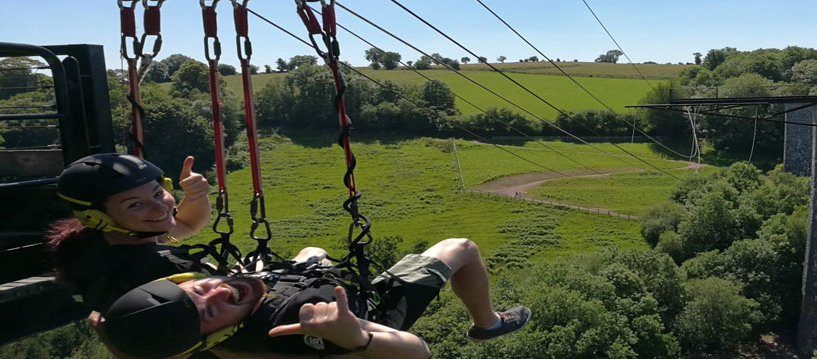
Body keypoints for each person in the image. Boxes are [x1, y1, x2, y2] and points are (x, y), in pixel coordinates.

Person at [99, 238, 531, 359]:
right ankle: (488, 323)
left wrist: (112, 330)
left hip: (317, 288)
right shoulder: (292, 337)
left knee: (311, 252)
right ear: (214, 339)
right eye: (212, 310)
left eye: (197, 288)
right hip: (362, 315)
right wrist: (354, 337)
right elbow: (418, 352)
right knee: (461, 249)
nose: (217, 290)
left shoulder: (177, 331)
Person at [46, 152, 214, 312]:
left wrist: (194, 195)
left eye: (158, 193)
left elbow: (187, 223)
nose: (160, 207)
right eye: (135, 204)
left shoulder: (103, 242)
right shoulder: (162, 268)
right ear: (97, 217)